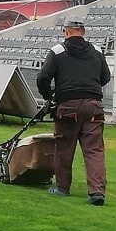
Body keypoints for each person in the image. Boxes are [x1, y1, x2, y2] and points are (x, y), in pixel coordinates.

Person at [36, 15, 111, 206]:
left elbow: (43, 78)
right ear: (83, 32)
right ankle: (96, 192)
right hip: (93, 106)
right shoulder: (96, 51)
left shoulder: (58, 51)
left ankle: (62, 188)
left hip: (67, 106)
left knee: (63, 148)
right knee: (94, 150)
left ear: (66, 31)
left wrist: (50, 96)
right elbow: (105, 77)